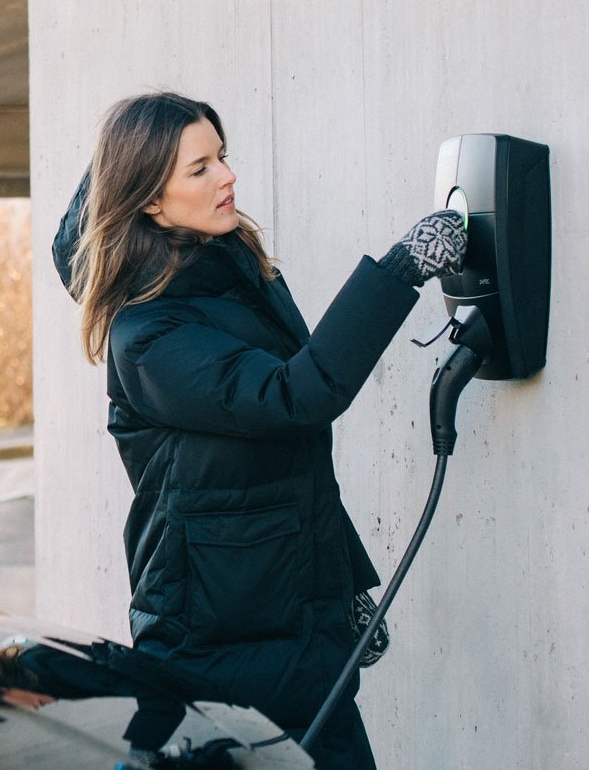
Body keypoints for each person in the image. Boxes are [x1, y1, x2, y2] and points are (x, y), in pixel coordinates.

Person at [52, 92, 467, 768]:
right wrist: (402, 267)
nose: (227, 177)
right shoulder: (151, 334)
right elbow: (294, 396)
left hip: (296, 636)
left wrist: (344, 585)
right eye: (200, 167)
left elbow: (283, 464)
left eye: (223, 155)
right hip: (215, 661)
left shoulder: (233, 273)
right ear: (150, 202)